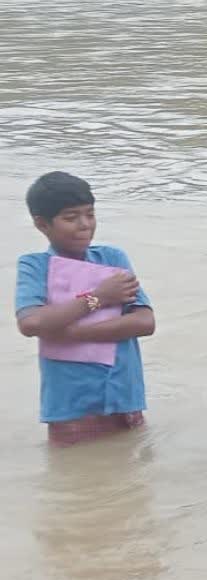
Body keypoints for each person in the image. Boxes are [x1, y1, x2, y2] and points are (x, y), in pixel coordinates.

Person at [14, 171, 155, 446]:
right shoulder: (34, 266)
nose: (84, 225)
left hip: (124, 396)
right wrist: (99, 297)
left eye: (89, 214)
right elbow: (31, 323)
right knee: (74, 482)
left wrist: (69, 331)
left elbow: (145, 321)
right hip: (70, 405)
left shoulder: (112, 258)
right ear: (42, 224)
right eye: (71, 217)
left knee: (132, 479)